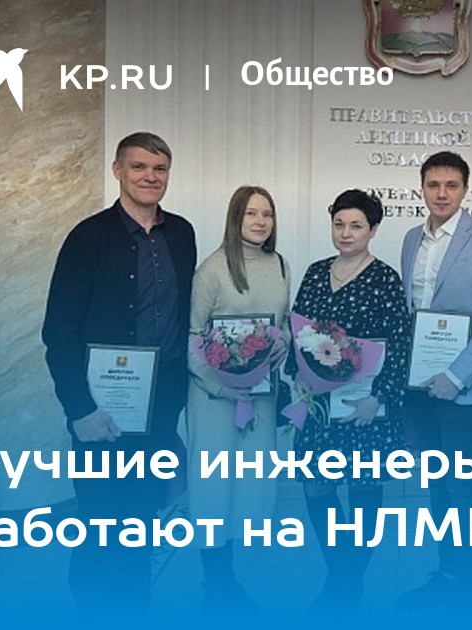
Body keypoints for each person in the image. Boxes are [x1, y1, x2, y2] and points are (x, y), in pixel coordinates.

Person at [42, 131, 196, 615]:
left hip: (161, 403)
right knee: (100, 513)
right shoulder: (87, 237)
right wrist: (79, 408)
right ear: (117, 171)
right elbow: (59, 329)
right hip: (100, 407)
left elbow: (186, 315)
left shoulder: (182, 234)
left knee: (143, 512)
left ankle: (135, 605)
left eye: (159, 168)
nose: (150, 177)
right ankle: (93, 610)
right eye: (139, 167)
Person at [394, 152, 472, 613]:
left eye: (451, 185)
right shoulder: (411, 239)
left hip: (466, 389)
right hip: (419, 386)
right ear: (421, 188)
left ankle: (467, 592)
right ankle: (445, 576)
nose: (441, 193)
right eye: (433, 185)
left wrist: (456, 375)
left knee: (463, 488)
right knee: (437, 485)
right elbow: (412, 314)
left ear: (465, 190)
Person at [286, 189, 409, 614]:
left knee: (363, 490)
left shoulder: (385, 278)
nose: (346, 232)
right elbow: (298, 331)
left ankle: (345, 582)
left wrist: (380, 398)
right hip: (320, 406)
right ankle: (342, 574)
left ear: (373, 230)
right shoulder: (316, 272)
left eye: (356, 225)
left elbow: (400, 344)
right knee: (316, 485)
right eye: (339, 224)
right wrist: (298, 376)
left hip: (365, 408)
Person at [185, 186, 290, 614]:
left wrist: (283, 341)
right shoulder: (211, 269)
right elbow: (192, 336)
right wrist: (220, 387)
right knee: (213, 487)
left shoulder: (280, 264)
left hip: (260, 395)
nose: (261, 221)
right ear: (235, 218)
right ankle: (217, 582)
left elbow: (284, 322)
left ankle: (229, 574)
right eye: (251, 214)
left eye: (267, 214)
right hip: (215, 399)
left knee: (250, 485)